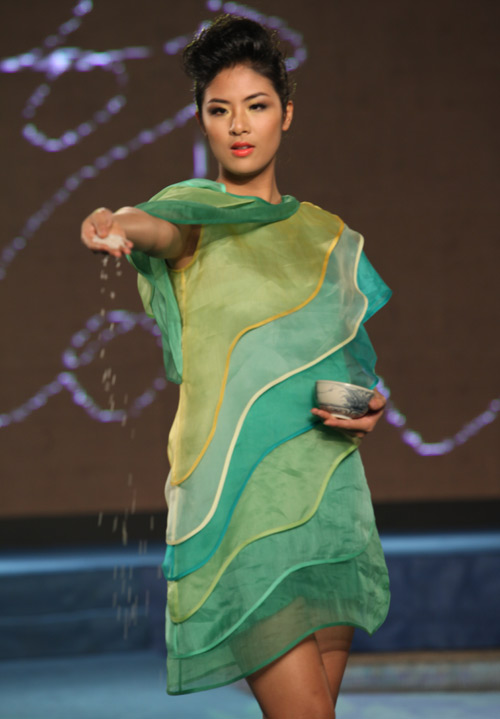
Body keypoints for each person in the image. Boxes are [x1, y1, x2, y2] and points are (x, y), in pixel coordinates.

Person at [81, 15, 391, 719]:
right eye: (220, 110)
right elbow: (151, 224)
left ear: (287, 112)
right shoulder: (195, 216)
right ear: (202, 120)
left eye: (256, 105)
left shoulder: (327, 236)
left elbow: (342, 365)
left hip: (327, 503)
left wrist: (369, 404)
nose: (239, 125)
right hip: (238, 511)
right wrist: (116, 223)